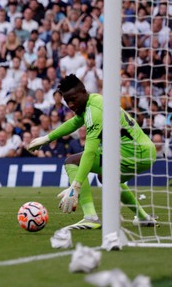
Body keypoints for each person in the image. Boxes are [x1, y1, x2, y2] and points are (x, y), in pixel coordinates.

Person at [28, 74, 157, 230]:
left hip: (134, 153)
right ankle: (143, 217)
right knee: (106, 177)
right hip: (143, 151)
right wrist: (48, 138)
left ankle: (90, 217)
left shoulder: (94, 111)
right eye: (67, 101)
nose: (70, 104)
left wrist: (75, 187)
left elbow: (89, 152)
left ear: (83, 92)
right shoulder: (93, 100)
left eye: (73, 99)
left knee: (71, 162)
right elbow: (75, 122)